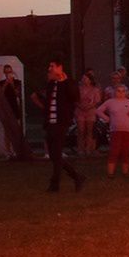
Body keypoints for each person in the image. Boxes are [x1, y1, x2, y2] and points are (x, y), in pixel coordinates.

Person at [40, 59, 84, 192]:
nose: (50, 68)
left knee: (57, 153)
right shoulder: (51, 84)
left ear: (60, 67)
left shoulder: (69, 83)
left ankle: (55, 184)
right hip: (51, 123)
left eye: (52, 66)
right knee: (54, 155)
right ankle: (77, 177)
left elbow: (74, 97)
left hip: (61, 123)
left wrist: (63, 81)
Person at [101, 80, 129, 176]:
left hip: (128, 129)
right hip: (115, 129)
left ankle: (125, 171)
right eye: (118, 91)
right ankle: (110, 172)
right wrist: (107, 118)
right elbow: (99, 111)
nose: (121, 93)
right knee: (114, 150)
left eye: (123, 91)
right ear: (114, 92)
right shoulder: (110, 102)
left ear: (126, 92)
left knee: (126, 150)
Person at [0, 65, 27, 159]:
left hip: (14, 108)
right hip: (6, 108)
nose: (8, 74)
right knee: (7, 131)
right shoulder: (1, 83)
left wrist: (12, 84)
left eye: (10, 72)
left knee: (16, 129)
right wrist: (6, 83)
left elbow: (17, 94)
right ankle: (8, 151)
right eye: (6, 72)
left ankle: (17, 150)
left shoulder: (17, 82)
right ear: (4, 73)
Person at [75, 71, 102, 156]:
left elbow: (97, 101)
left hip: (90, 111)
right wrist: (80, 106)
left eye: (86, 78)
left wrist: (89, 107)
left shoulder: (95, 90)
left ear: (90, 80)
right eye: (83, 78)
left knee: (89, 130)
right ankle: (80, 149)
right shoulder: (78, 89)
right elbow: (74, 100)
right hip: (80, 111)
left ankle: (88, 149)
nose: (84, 80)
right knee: (81, 130)